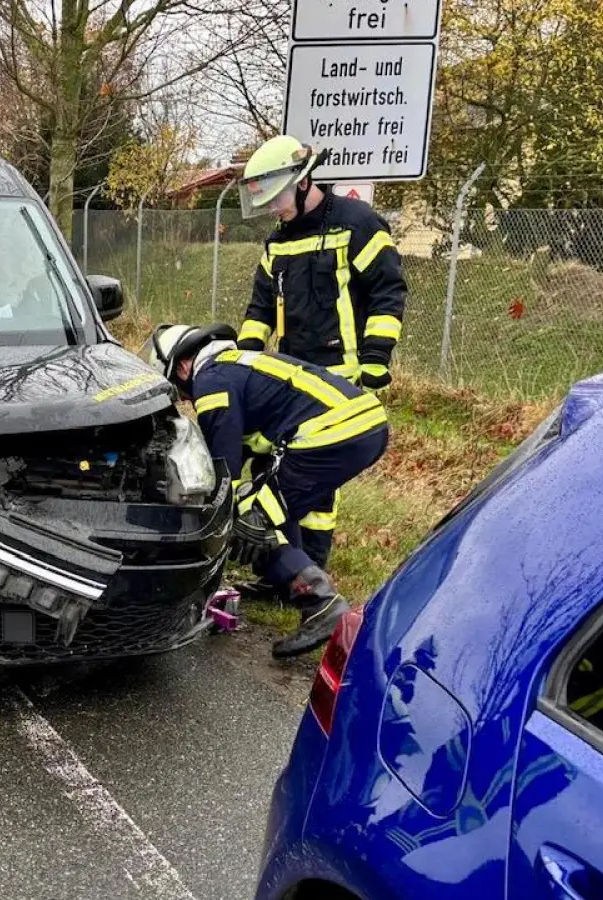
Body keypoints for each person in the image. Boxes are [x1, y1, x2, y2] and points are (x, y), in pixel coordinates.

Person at [146, 323, 390, 657]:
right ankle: (285, 580)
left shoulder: (211, 380)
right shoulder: (237, 366)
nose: (187, 399)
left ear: (183, 365)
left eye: (179, 386)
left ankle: (320, 603)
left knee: (249, 519)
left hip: (330, 435)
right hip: (361, 427)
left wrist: (217, 512)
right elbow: (250, 450)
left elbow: (224, 464)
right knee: (264, 496)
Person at [232, 135, 408, 589]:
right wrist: (246, 366)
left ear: (304, 180)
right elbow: (259, 310)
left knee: (315, 483)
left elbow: (388, 292)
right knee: (276, 470)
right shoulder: (276, 245)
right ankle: (284, 573)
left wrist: (375, 360)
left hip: (341, 377)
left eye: (277, 199)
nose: (273, 209)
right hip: (291, 379)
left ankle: (310, 573)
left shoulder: (358, 224)